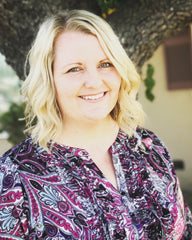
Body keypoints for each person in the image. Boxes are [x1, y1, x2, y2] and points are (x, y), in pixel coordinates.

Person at [0, 9, 191, 240]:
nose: (93, 81)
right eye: (74, 69)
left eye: (105, 64)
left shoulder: (150, 147)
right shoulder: (14, 174)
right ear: (49, 81)